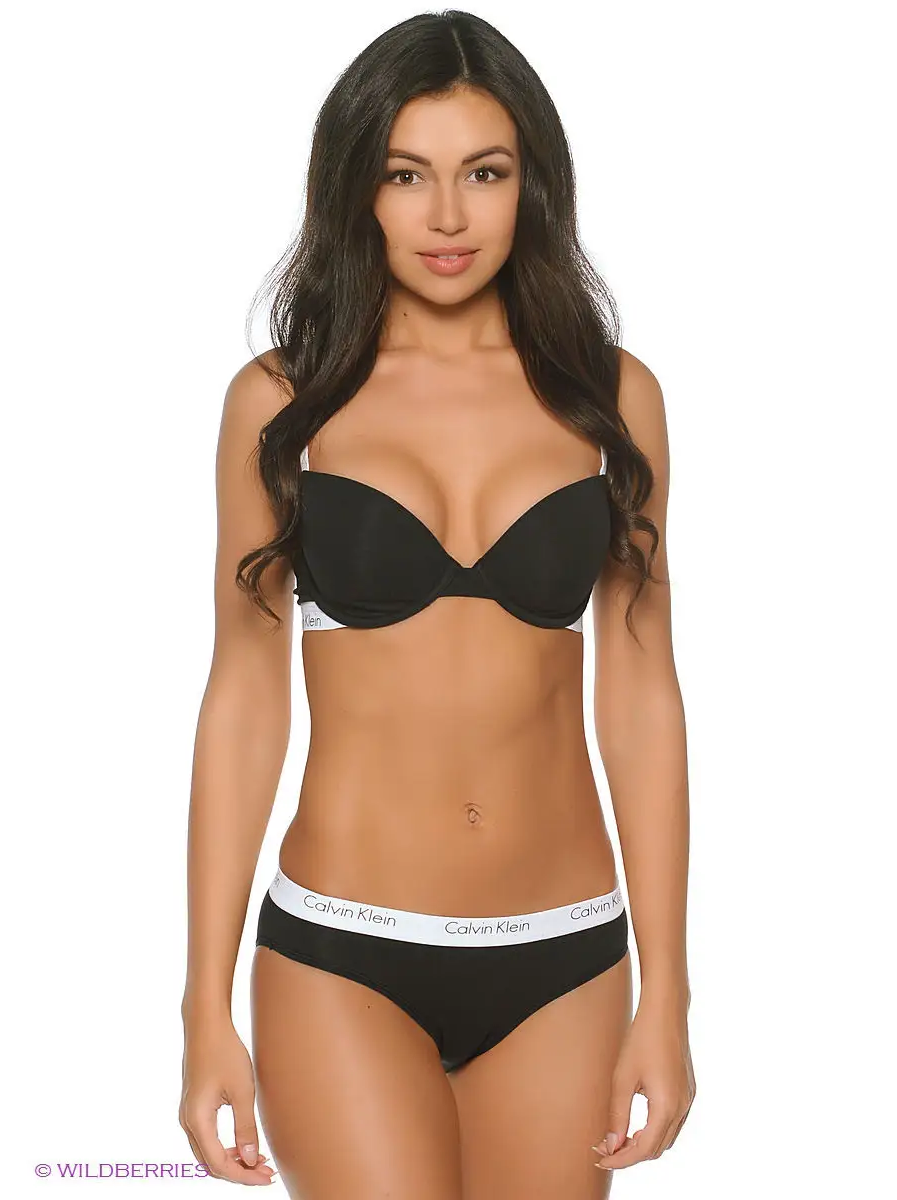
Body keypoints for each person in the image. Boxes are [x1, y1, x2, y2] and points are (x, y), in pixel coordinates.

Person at [179, 10, 695, 1198]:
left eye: (486, 173)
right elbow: (243, 699)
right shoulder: (282, 405)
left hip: (567, 958)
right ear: (355, 188)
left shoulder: (612, 401)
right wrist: (205, 1006)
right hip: (341, 952)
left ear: (534, 186)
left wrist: (667, 990)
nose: (448, 216)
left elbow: (643, 697)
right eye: (407, 175)